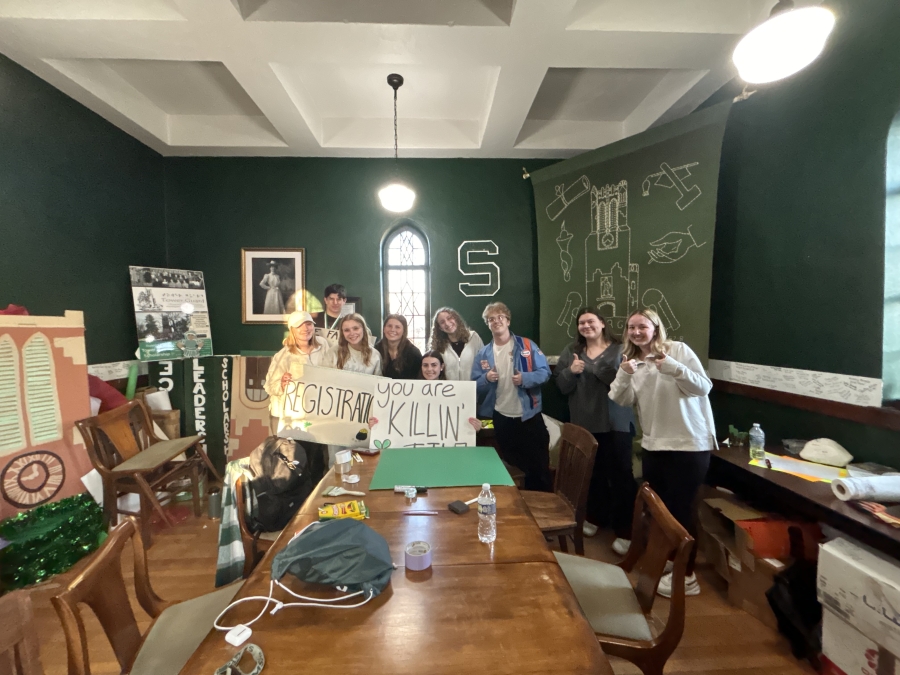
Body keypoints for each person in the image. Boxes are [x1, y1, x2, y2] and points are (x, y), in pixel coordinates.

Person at [609, 308, 716, 598]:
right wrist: (623, 373)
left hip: (688, 445)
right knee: (660, 512)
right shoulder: (634, 362)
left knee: (681, 512)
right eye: (631, 327)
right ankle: (668, 562)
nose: (635, 332)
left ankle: (688, 576)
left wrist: (671, 367)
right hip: (654, 445)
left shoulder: (677, 351)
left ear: (656, 328)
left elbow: (703, 387)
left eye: (642, 326)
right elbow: (620, 398)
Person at [555, 308, 636, 555]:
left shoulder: (621, 349)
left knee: (621, 476)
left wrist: (595, 368)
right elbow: (561, 385)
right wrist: (572, 371)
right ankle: (596, 517)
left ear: (602, 323)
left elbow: (623, 382)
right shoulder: (572, 351)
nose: (586, 326)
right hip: (584, 424)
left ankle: (627, 531)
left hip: (615, 424)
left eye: (591, 321)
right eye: (581, 322)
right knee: (593, 476)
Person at [472, 302, 551, 491]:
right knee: (512, 468)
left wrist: (525, 378)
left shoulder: (526, 345)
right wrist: (486, 378)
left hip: (529, 417)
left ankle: (541, 508)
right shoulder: (483, 353)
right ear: (488, 324)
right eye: (491, 319)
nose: (496, 321)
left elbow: (545, 372)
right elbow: (474, 384)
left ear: (508, 320)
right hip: (502, 418)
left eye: (500, 317)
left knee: (539, 468)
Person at [369, 350, 480, 433]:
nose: (429, 369)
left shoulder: (455, 393)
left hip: (445, 448)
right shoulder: (407, 392)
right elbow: (397, 416)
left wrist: (474, 425)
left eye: (434, 365)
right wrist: (378, 422)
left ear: (442, 367)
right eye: (425, 365)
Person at [263, 310, 335, 434]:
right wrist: (282, 384)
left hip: (320, 411)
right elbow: (269, 386)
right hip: (294, 417)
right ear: (292, 330)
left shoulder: (323, 344)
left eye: (308, 324)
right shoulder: (283, 355)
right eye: (299, 326)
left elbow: (332, 370)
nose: (305, 329)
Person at [430, 307, 484, 381]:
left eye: (449, 318)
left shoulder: (473, 337)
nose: (447, 323)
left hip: (474, 389)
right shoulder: (438, 346)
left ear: (456, 319)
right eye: (442, 322)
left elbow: (483, 363)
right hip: (449, 390)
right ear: (440, 328)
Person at [375, 314, 422, 379]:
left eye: (397, 327)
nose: (392, 329)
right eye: (389, 326)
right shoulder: (376, 350)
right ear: (384, 329)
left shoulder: (413, 353)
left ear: (404, 331)